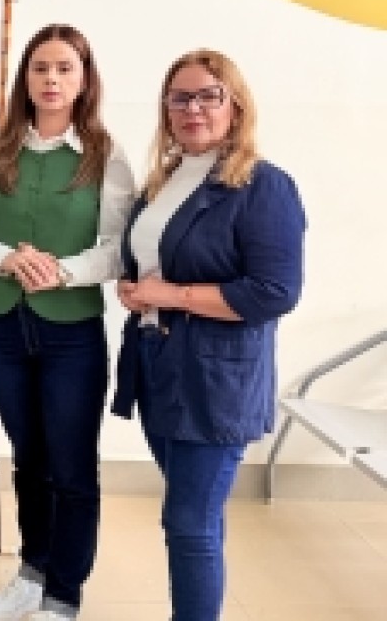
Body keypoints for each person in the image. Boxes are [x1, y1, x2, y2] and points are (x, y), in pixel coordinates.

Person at [0, 24, 135, 621]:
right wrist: (6, 258)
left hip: (71, 333)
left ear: (84, 79)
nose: (51, 79)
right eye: (40, 68)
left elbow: (118, 248)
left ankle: (64, 593)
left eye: (64, 68)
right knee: (29, 460)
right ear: (25, 78)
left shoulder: (106, 154)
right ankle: (32, 572)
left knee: (71, 467)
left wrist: (62, 271)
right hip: (5, 326)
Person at [111, 50, 305, 621]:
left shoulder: (263, 185)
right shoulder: (163, 182)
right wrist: (134, 288)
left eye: (208, 96)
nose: (192, 109)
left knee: (187, 522)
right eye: (180, 98)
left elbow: (274, 292)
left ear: (235, 105)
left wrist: (171, 295)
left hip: (214, 381)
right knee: (196, 515)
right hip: (158, 365)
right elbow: (150, 262)